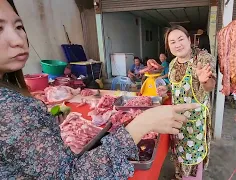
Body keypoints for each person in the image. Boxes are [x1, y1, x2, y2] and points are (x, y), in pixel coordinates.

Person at [0, 1, 200, 179]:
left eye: (19, 26)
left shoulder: (197, 61)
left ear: (190, 40)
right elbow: (73, 174)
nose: (18, 39)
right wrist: (142, 123)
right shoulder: (10, 109)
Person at [164, 25, 217, 180]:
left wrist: (204, 80)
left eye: (181, 39)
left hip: (196, 124)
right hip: (178, 121)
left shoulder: (203, 58)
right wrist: (166, 90)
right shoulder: (173, 63)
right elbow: (175, 86)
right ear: (169, 46)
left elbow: (210, 86)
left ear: (189, 39)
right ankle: (180, 176)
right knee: (179, 154)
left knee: (193, 159)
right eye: (172, 42)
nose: (177, 44)